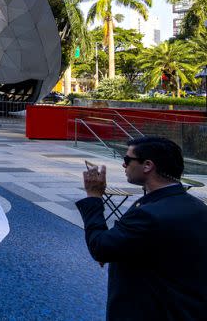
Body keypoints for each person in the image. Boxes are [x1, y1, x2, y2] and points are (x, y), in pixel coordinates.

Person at [76, 136, 207, 320]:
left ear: (147, 165)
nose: (124, 165)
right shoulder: (197, 207)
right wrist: (118, 247)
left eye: (127, 160)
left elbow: (100, 247)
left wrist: (94, 197)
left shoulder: (148, 213)